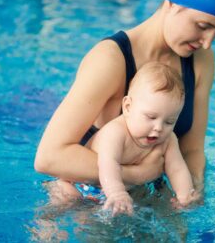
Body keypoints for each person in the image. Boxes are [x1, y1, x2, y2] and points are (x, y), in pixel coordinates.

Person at [35, 0, 215, 202]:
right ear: (172, 4)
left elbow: (192, 149)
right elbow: (49, 158)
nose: (207, 43)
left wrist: (192, 193)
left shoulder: (201, 60)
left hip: (150, 192)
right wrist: (139, 175)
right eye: (203, 26)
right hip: (89, 193)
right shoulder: (110, 59)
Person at [56, 62, 198, 215]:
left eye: (169, 121)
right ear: (128, 107)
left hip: (122, 189)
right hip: (79, 185)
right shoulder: (116, 132)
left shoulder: (169, 139)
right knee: (65, 203)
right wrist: (116, 193)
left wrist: (185, 194)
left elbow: (177, 168)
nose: (159, 127)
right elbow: (107, 163)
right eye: (151, 117)